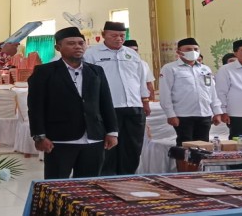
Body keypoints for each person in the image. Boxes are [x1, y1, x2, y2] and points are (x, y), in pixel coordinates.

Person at [28, 27, 118, 179]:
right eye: (71, 43)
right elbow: (35, 106)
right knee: (57, 184)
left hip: (93, 137)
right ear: (58, 47)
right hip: (60, 139)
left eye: (81, 43)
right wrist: (39, 136)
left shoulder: (96, 71)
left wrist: (112, 132)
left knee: (88, 184)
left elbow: (106, 102)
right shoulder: (44, 72)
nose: (77, 47)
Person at [82, 21, 149, 176]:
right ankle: (107, 178)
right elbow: (87, 81)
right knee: (109, 146)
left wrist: (144, 101)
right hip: (108, 107)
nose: (119, 39)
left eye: (122, 35)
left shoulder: (132, 54)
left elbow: (140, 79)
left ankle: (128, 176)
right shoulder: (92, 54)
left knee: (133, 146)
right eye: (114, 35)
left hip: (134, 106)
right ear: (103, 34)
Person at [158, 38, 223, 146]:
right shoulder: (170, 68)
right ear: (179, 52)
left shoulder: (205, 69)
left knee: (203, 145)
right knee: (185, 146)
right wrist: (170, 114)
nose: (193, 51)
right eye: (188, 49)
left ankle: (200, 159)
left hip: (204, 114)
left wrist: (217, 112)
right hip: (183, 115)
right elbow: (165, 93)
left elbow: (212, 91)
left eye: (196, 49)